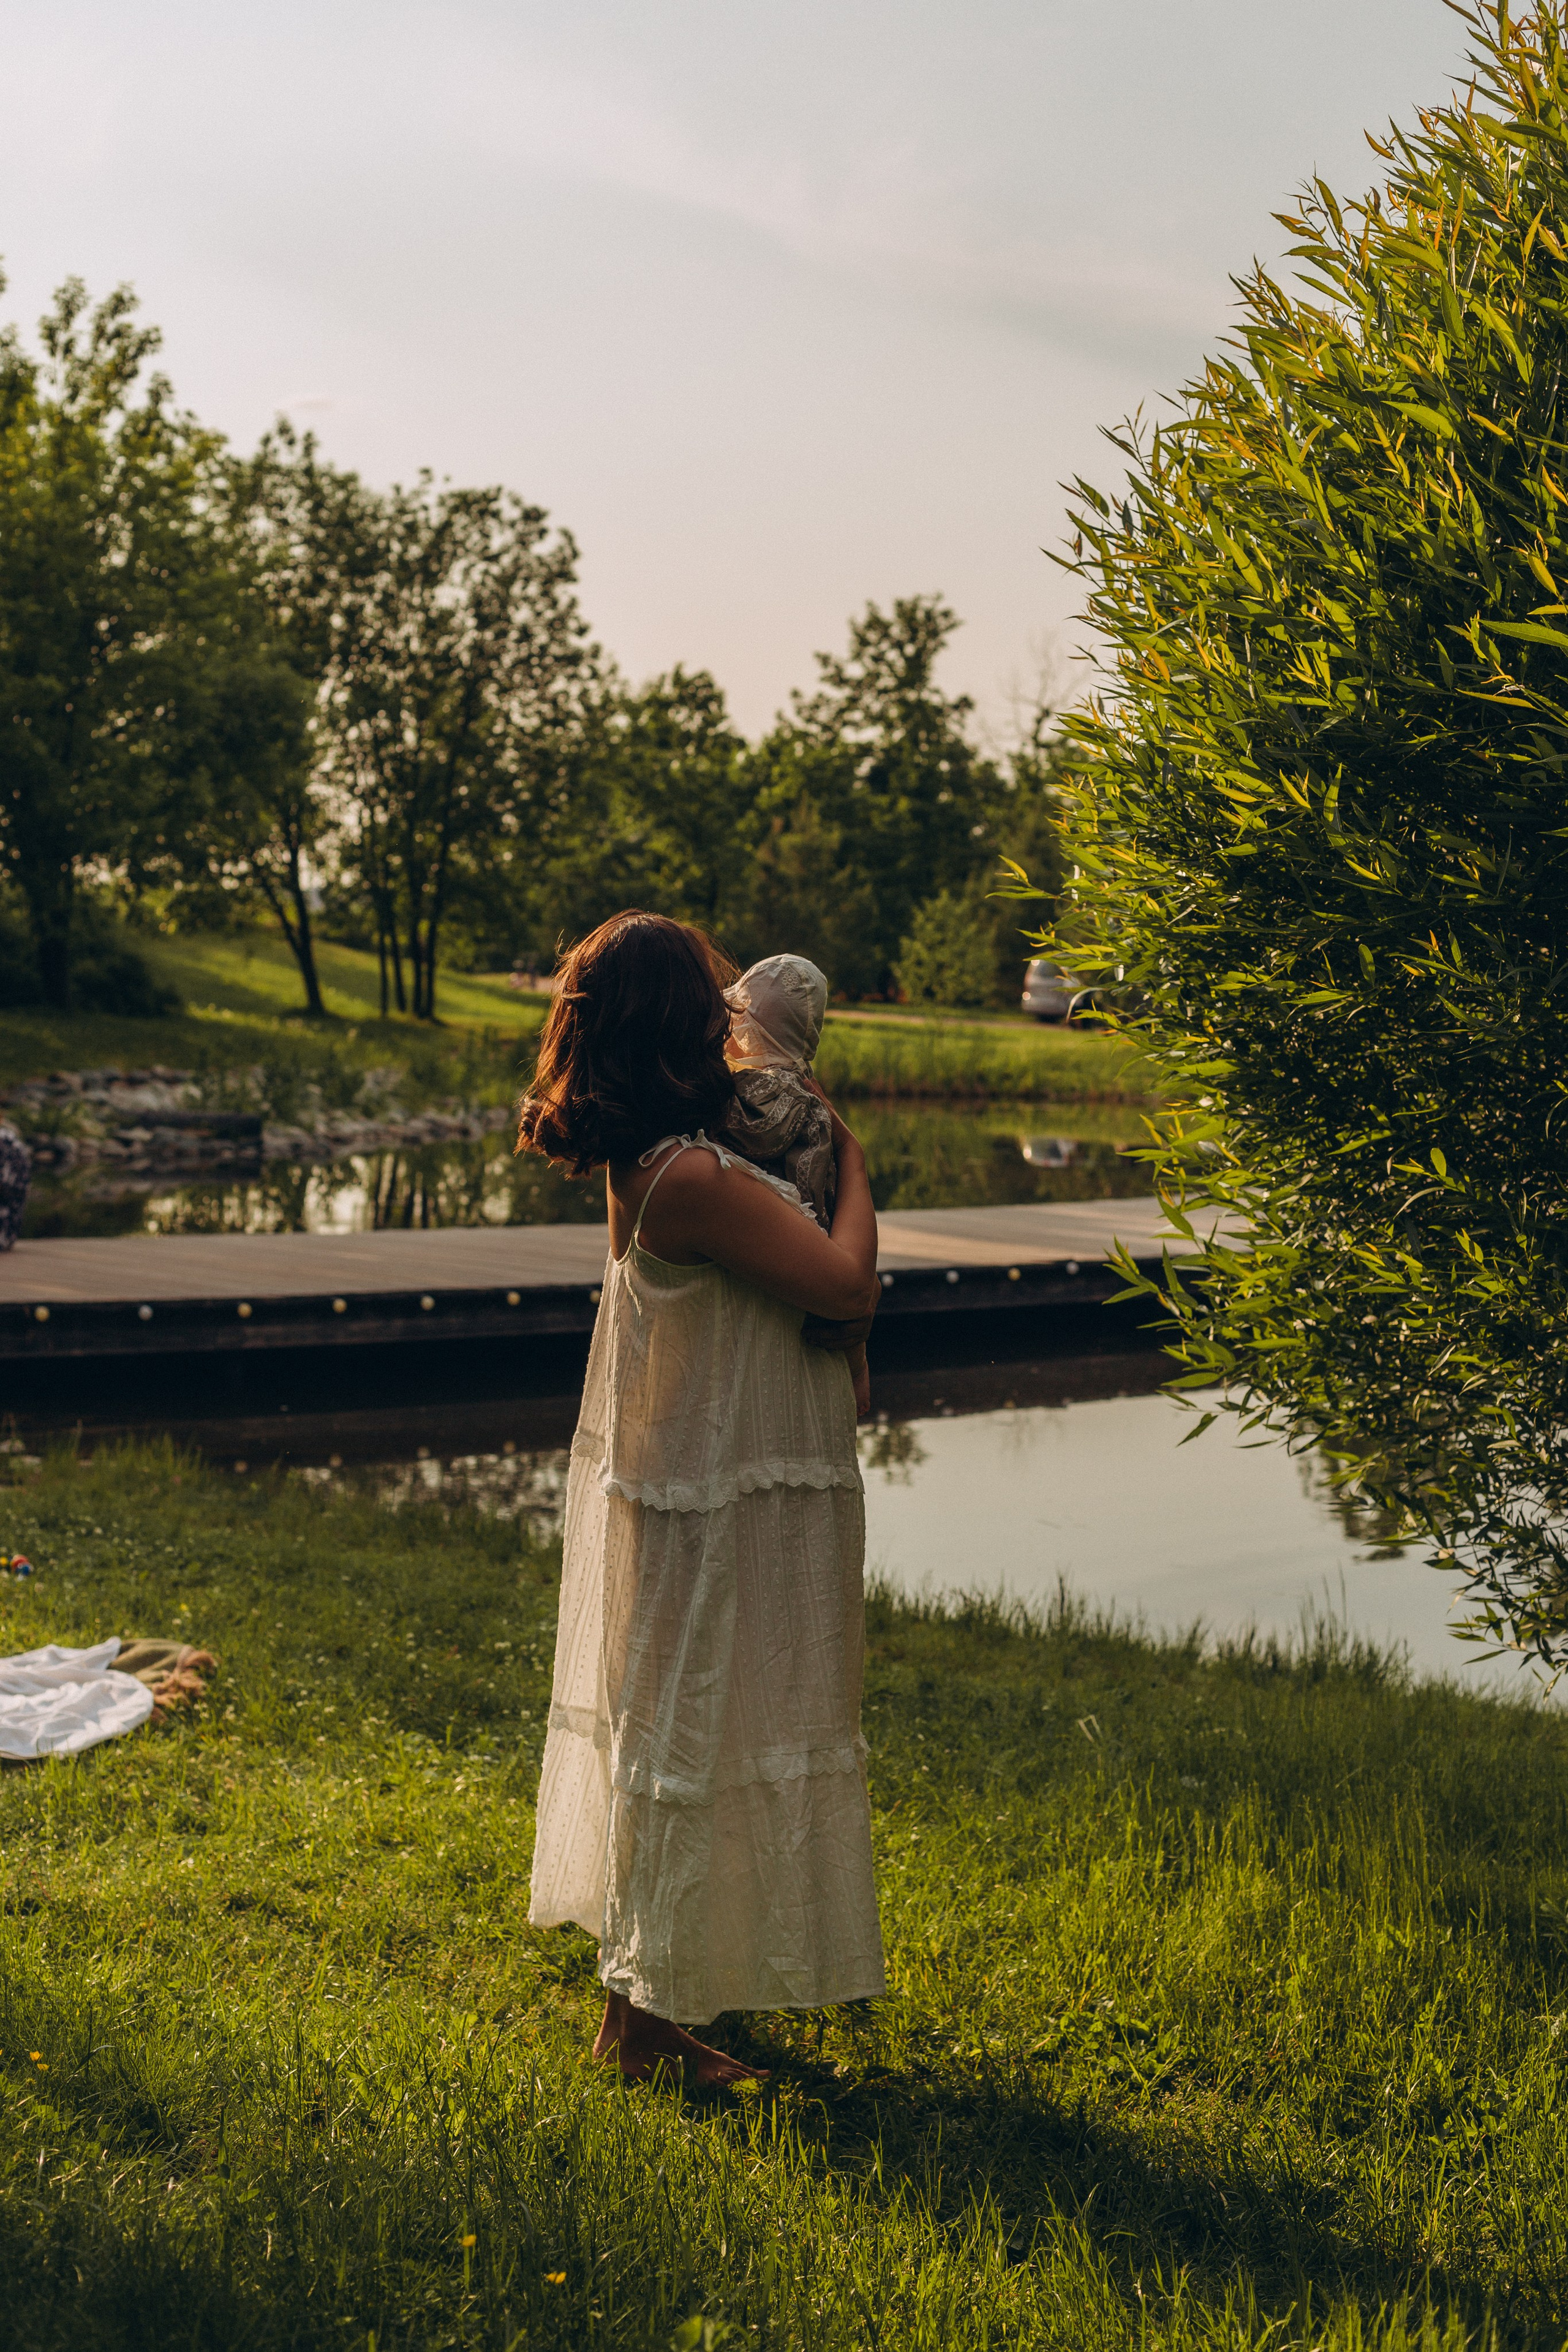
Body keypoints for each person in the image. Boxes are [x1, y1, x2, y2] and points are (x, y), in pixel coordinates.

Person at [517, 911, 886, 2086]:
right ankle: (643, 2027)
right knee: (691, 1735)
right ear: (679, 1021)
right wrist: (854, 1161)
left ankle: (658, 1992)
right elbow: (847, 1285)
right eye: (712, 997)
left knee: (696, 1731)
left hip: (707, 1483)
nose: (730, 1013)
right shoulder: (692, 1179)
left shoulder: (659, 1157)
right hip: (709, 1499)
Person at [718, 952, 872, 1412]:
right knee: (846, 1320)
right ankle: (859, 1372)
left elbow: (757, 1134)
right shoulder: (807, 1087)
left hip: (792, 1220)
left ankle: (858, 1371)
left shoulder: (755, 1090)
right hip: (825, 1217)